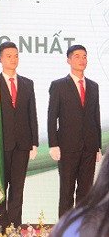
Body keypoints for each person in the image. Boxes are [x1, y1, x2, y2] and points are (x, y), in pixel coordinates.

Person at [47, 44, 102, 218]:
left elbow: (95, 117)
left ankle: (81, 228)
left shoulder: (93, 86)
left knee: (85, 193)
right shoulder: (58, 85)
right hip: (67, 147)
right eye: (77, 56)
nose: (82, 60)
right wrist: (53, 144)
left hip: (89, 147)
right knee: (67, 191)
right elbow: (52, 117)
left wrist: (98, 146)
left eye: (84, 57)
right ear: (68, 60)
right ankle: (65, 228)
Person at [0, 42, 39, 229]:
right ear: (0, 59)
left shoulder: (27, 83)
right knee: (0, 188)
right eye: (9, 56)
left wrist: (34, 142)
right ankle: (0, 227)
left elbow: (32, 114)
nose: (13, 59)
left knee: (18, 188)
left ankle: (14, 227)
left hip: (22, 144)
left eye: (16, 55)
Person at [51, 152, 109, 237]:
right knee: (66, 193)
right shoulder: (74, 226)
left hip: (89, 149)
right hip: (68, 150)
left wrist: (97, 147)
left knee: (84, 191)